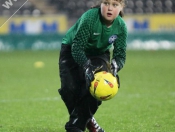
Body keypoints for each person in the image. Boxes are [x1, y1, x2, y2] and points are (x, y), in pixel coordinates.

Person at [58, 0, 127, 131]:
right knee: (69, 90)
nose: (109, 8)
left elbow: (120, 55)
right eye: (106, 3)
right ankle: (87, 119)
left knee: (98, 87)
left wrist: (117, 64)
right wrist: (86, 66)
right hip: (72, 48)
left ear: (121, 7)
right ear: (100, 4)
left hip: (99, 53)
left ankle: (75, 126)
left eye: (115, 5)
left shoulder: (121, 26)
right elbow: (77, 48)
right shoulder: (89, 17)